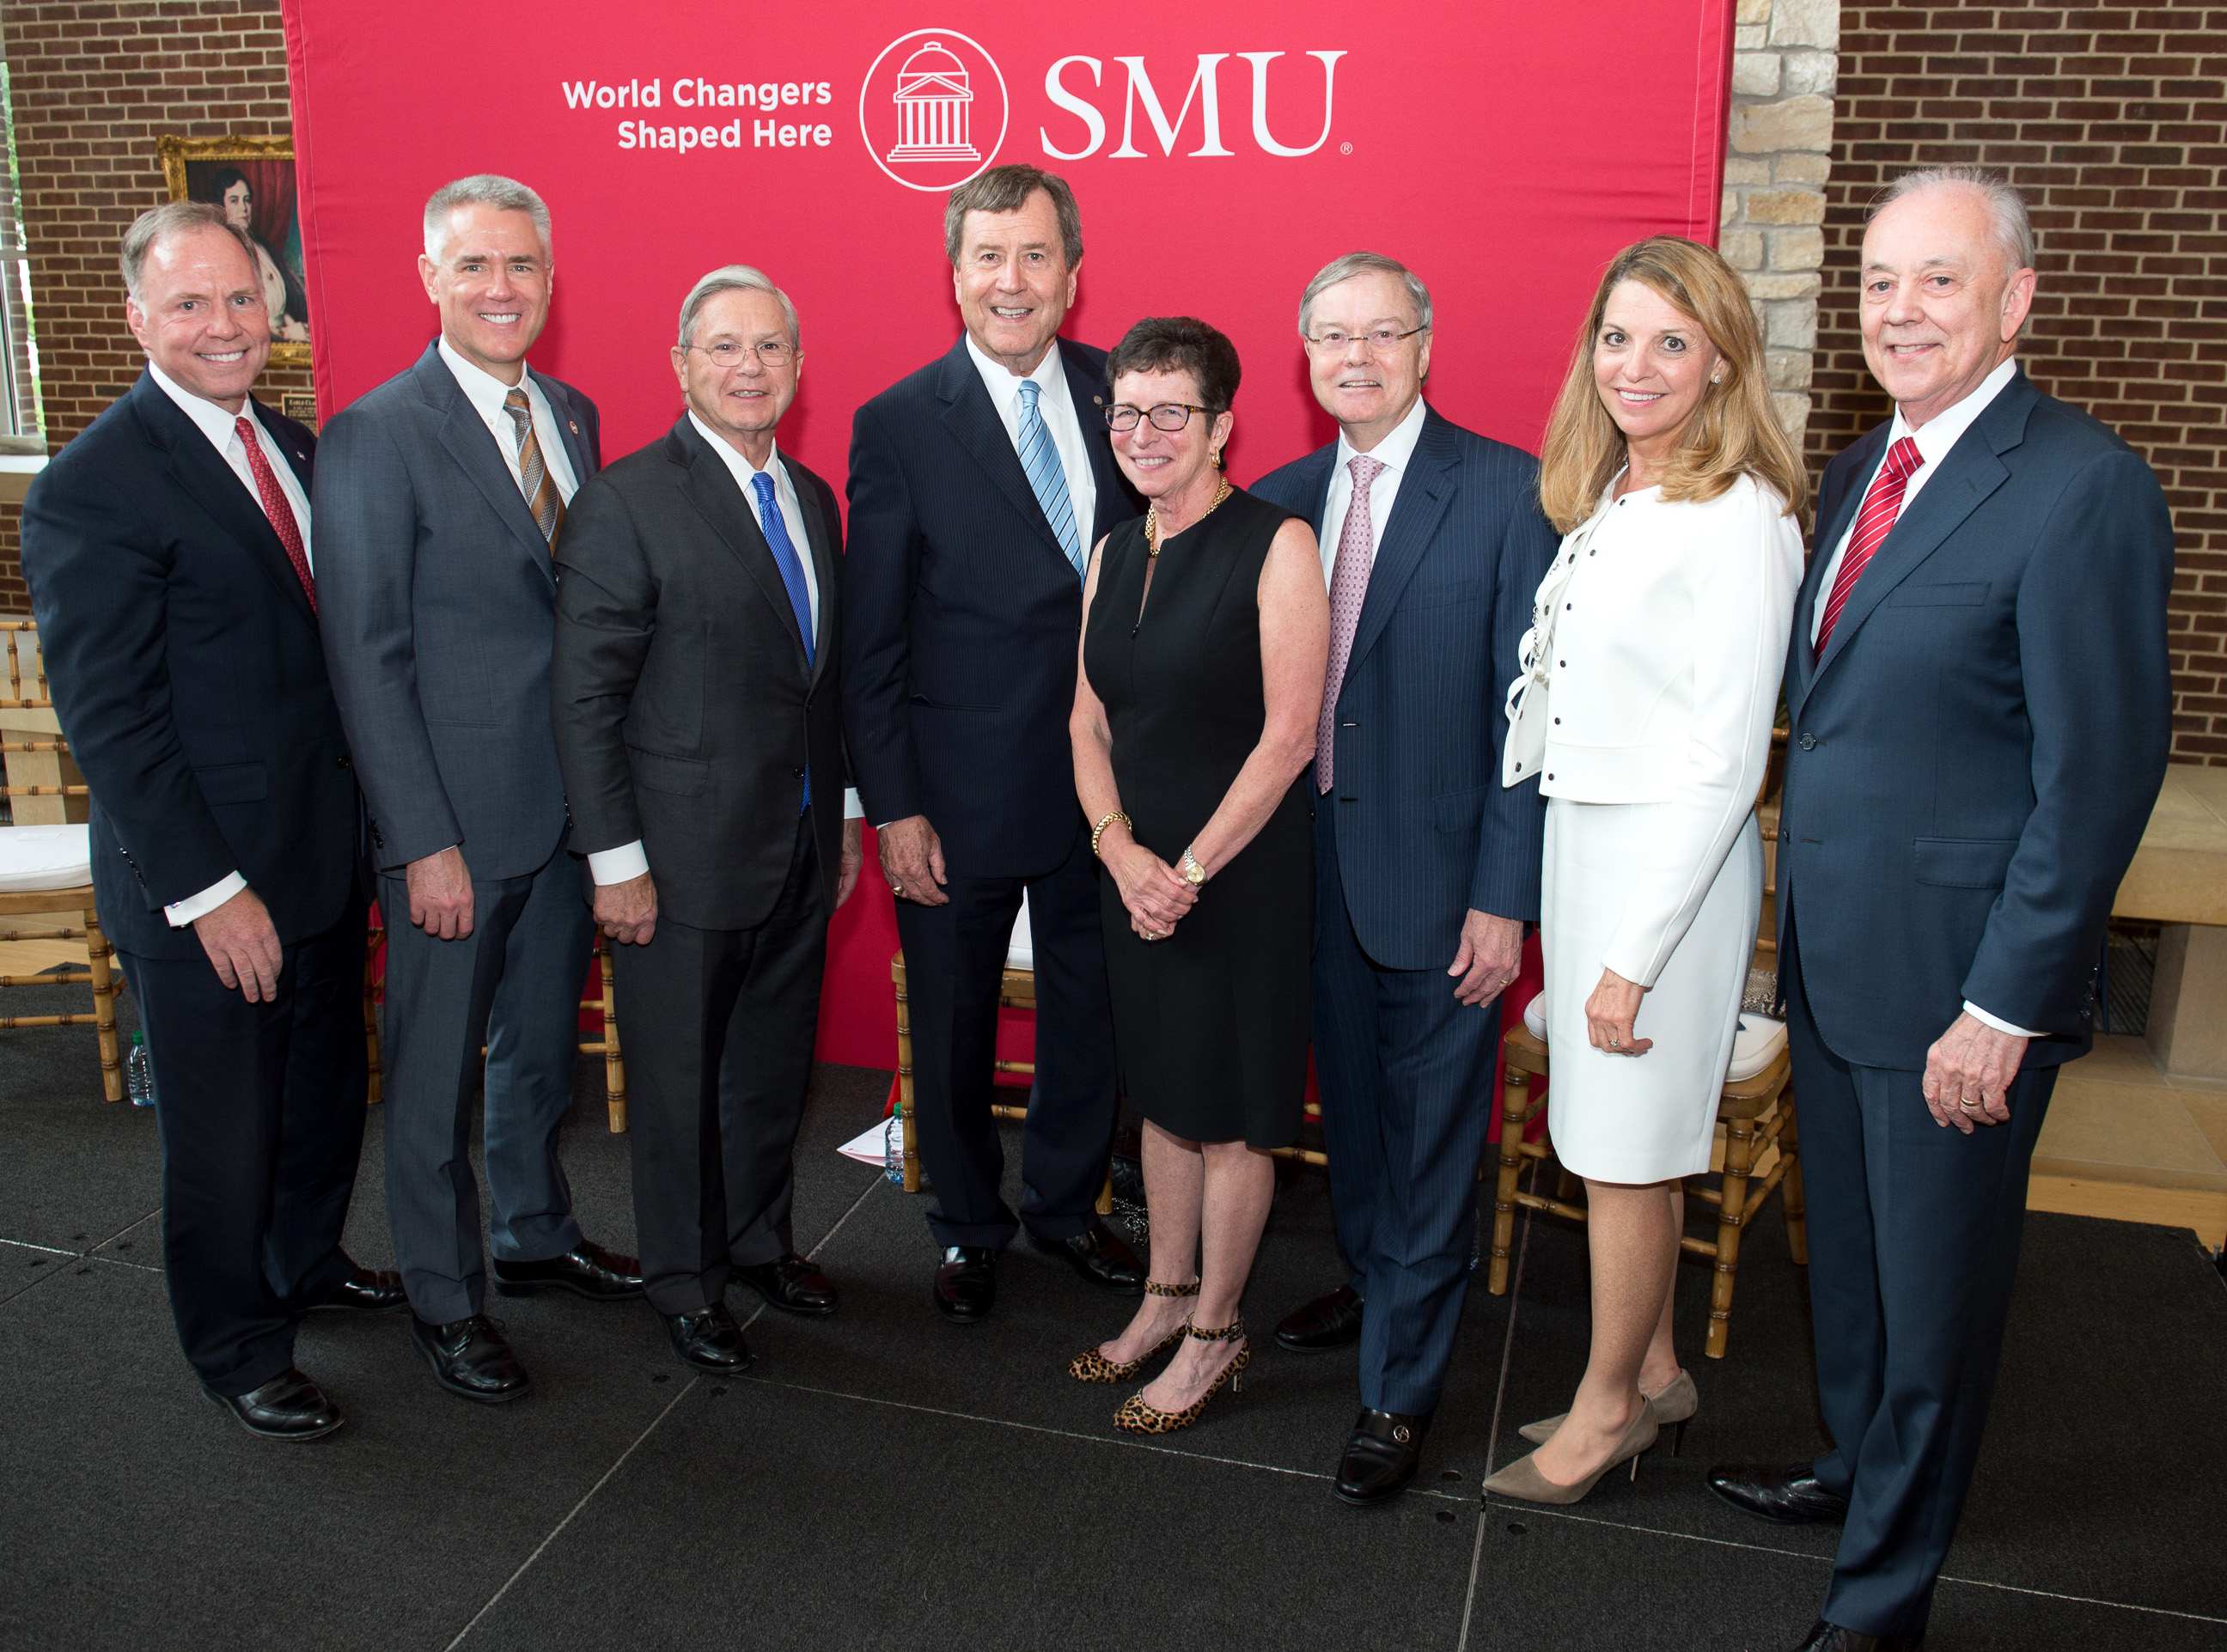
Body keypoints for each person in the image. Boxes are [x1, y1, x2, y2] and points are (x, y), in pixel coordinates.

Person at [1706, 168, 2172, 1652]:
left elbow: (2094, 778)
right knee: (1847, 1273)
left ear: (2015, 300)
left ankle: (1884, 1596)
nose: (1900, 309)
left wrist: (2004, 1003)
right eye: (1879, 280)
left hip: (1964, 995)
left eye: (1939, 281)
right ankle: (1856, 1470)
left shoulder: (2081, 486)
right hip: (1841, 971)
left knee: (1937, 1303)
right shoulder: (1854, 474)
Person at [21, 202, 401, 1441]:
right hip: (212, 888)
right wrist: (207, 889)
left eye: (242, 299)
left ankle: (304, 1261)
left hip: (322, 858)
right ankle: (237, 1341)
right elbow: (115, 722)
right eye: (190, 304)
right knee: (224, 1128)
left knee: (320, 1095)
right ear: (138, 319)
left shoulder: (291, 444)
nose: (223, 324)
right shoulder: (94, 486)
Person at [1480, 237, 1807, 1506]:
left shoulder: (1743, 516)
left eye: (1672, 340)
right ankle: (1658, 1364)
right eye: (1617, 336)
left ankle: (1609, 1408)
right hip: (1593, 849)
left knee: (1625, 1152)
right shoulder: (1619, 493)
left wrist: (1631, 956)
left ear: (1723, 360)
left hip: (1666, 877)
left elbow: (1728, 764)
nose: (1638, 364)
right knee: (1619, 1143)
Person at [315, 174, 641, 1406]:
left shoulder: (571, 410)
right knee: (437, 1074)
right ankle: (447, 1299)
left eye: (522, 267)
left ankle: (535, 1232)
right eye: (475, 267)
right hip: (453, 826)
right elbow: (368, 655)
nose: (501, 289)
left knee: (540, 1052)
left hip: (568, 819)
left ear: (550, 280)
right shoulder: (375, 432)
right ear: (428, 278)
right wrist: (422, 840)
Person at [1252, 253, 1559, 1503]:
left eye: (1384, 333)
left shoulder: (1508, 493)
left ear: (1426, 348)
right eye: (1333, 335)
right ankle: (1379, 1283)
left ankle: (1401, 1386)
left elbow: (1532, 719)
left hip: (1445, 884)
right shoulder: (1276, 500)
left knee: (1436, 1137)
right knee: (1360, 1124)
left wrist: (1504, 892)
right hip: (1307, 876)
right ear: (1306, 355)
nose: (1358, 355)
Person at [843, 163, 1144, 1322]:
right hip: (955, 796)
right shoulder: (900, 424)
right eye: (988, 257)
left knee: (1091, 1005)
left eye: (1034, 256)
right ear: (955, 272)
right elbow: (872, 642)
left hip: (1106, 784)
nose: (1010, 281)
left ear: (1072, 271)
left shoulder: (1128, 392)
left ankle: (1067, 1207)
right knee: (956, 1016)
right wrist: (895, 806)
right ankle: (968, 1222)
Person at [551, 265, 864, 1374]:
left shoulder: (815, 497)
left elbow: (823, 685)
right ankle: (684, 1283)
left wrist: (848, 818)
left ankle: (759, 1244)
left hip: (797, 846)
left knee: (772, 1071)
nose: (750, 367)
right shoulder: (626, 502)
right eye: (725, 347)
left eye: (771, 347)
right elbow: (584, 699)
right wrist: (616, 861)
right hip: (672, 866)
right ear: (681, 366)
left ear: (797, 365)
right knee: (680, 1084)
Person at [1067, 317, 1327, 1432]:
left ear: (1223, 423)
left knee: (1231, 1118)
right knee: (1165, 1104)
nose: (1145, 431)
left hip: (1239, 877)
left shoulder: (1277, 543)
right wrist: (1121, 851)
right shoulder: (1113, 550)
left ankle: (1219, 1329)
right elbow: (1084, 721)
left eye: (1172, 410)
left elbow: (1289, 737)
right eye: (1127, 410)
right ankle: (1166, 1294)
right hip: (1138, 876)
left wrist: (1186, 868)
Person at [210, 168, 308, 344]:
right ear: (221, 206)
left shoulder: (264, 248)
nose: (244, 208)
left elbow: (280, 303)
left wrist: (296, 328)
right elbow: (238, 320)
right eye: (234, 200)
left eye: (247, 200)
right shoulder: (220, 257)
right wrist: (286, 333)